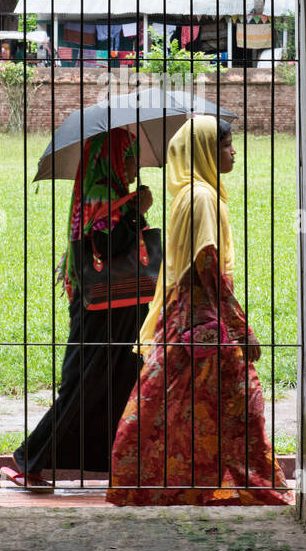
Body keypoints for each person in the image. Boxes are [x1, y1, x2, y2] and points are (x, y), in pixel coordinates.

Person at [106, 114, 290, 506]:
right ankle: (250, 486)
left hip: (183, 320)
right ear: (205, 151)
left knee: (175, 406)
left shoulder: (191, 194)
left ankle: (166, 483)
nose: (233, 152)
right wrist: (241, 329)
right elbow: (208, 265)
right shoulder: (202, 197)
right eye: (226, 145)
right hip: (204, 323)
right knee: (239, 406)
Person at [3, 127, 153, 489]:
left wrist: (131, 204)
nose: (135, 164)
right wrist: (135, 208)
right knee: (83, 382)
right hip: (100, 308)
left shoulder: (113, 193)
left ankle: (122, 462)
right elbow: (106, 244)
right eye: (130, 155)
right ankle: (30, 459)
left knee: (118, 381)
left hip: (122, 307)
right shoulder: (102, 194)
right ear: (113, 157)